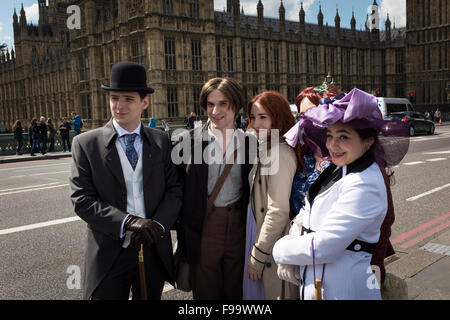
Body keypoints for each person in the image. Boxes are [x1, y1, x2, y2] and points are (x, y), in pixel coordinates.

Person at [273, 88, 409, 300]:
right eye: (329, 135)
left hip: (345, 292)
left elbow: (324, 245)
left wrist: (280, 249)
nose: (332, 145)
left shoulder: (365, 182)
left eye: (343, 136)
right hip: (321, 286)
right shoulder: (339, 167)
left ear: (368, 140)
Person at [69, 61, 183, 300]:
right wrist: (128, 222)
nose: (119, 106)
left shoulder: (161, 141)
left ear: (144, 102)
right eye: (114, 98)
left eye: (128, 99)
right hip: (109, 251)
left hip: (152, 250)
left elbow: (175, 190)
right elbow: (82, 200)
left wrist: (158, 226)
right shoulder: (86, 144)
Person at [175, 77, 256, 300]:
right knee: (206, 291)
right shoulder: (186, 142)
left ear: (236, 105)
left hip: (239, 227)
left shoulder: (250, 143)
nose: (215, 110)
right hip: (203, 228)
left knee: (236, 290)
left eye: (223, 103)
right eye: (210, 104)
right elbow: (173, 189)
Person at [243, 91, 300, 300]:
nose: (255, 124)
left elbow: (278, 211)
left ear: (279, 117)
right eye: (253, 117)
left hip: (269, 247)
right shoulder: (267, 147)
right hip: (259, 235)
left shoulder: (280, 153)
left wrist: (258, 257)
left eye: (263, 117)